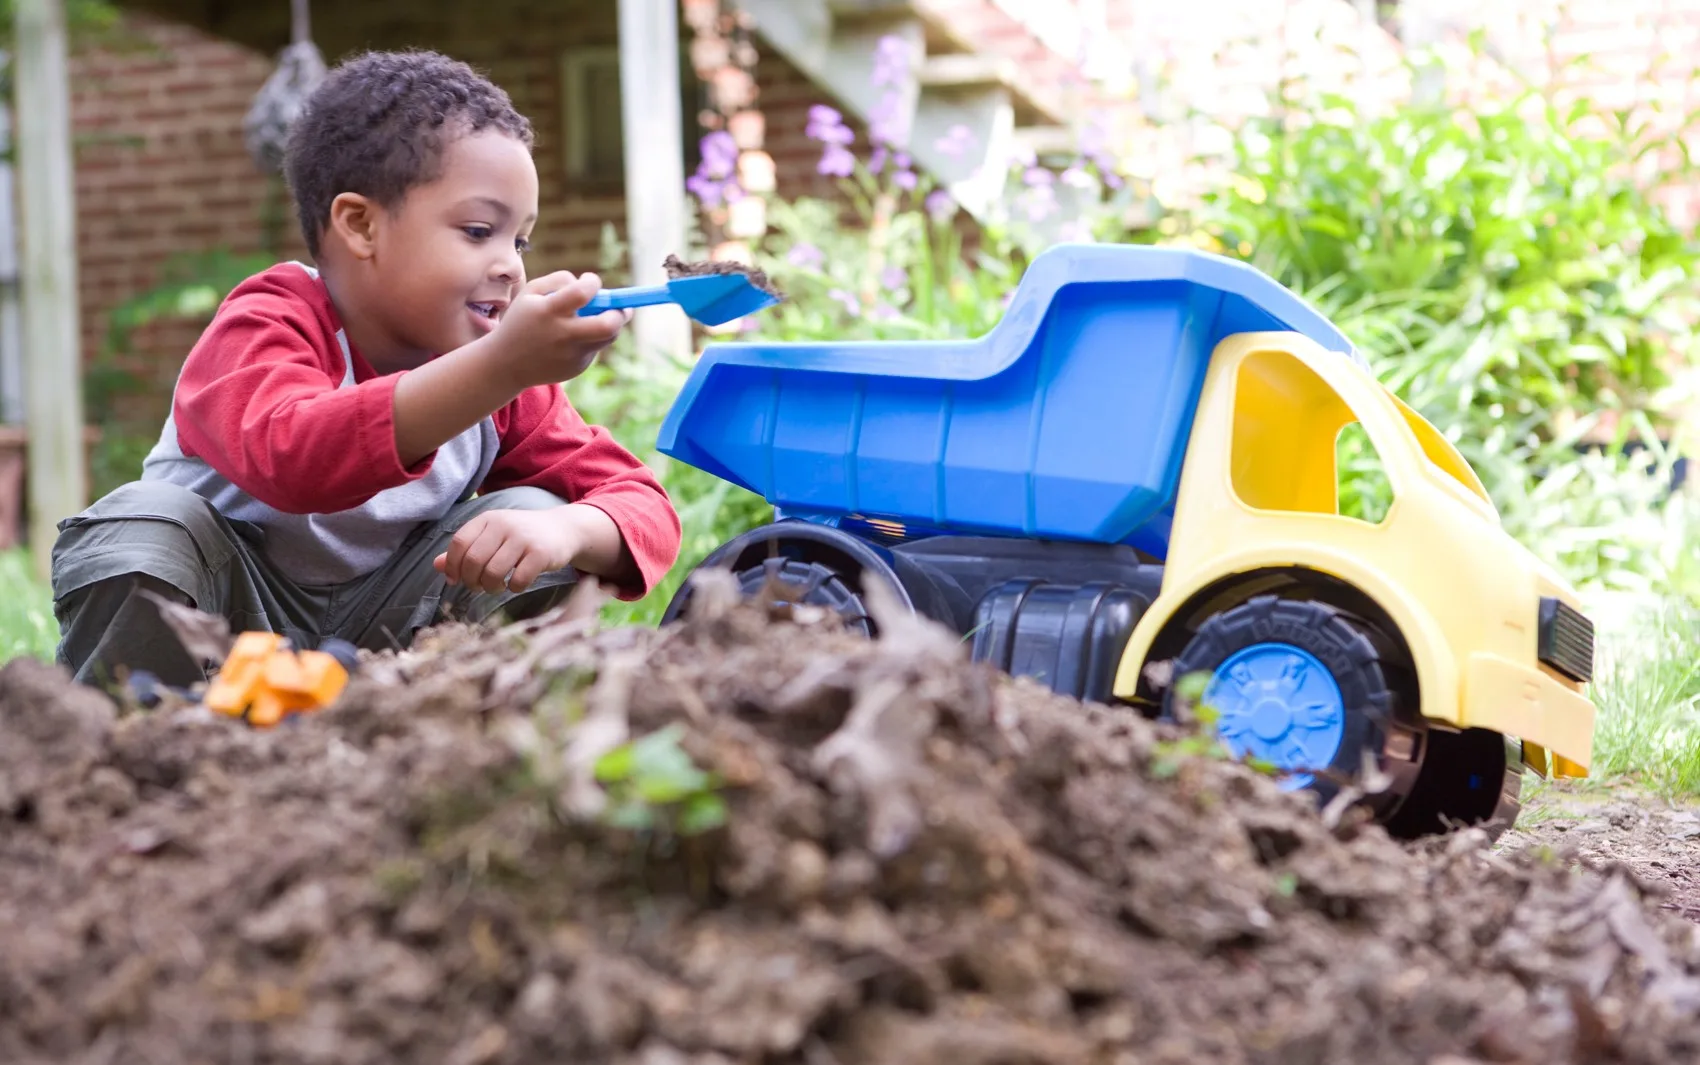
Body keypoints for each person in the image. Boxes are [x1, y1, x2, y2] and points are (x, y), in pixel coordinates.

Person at [50, 48, 683, 690]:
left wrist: (567, 529)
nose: (510, 266)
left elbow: (642, 506)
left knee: (535, 513)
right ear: (360, 225)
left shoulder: (505, 377)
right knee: (145, 526)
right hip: (223, 628)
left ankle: (477, 736)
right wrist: (499, 366)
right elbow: (293, 456)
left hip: (396, 645)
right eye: (476, 230)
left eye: (518, 240)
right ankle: (139, 737)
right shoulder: (268, 321)